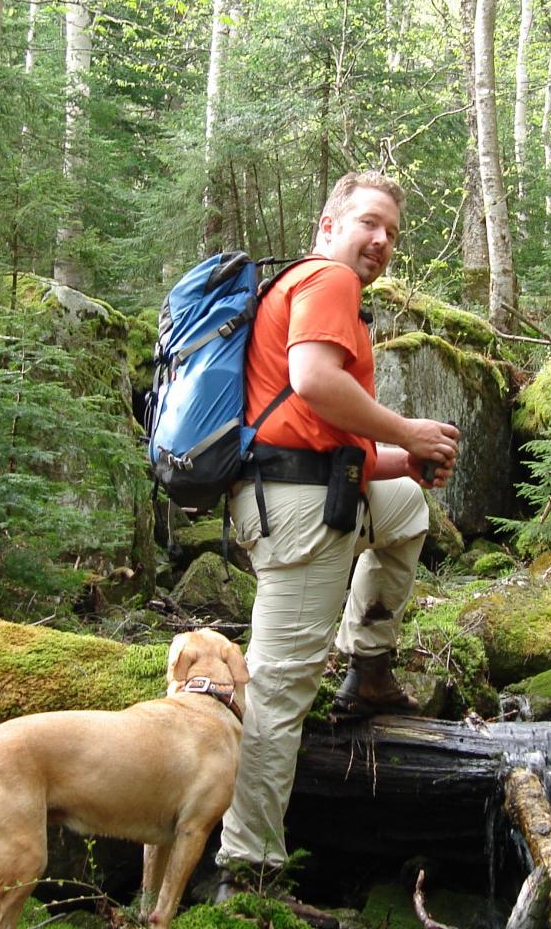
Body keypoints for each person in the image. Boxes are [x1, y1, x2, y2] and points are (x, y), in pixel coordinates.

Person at [214, 170, 462, 897]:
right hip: (293, 511)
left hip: (311, 485)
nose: (380, 240)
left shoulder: (309, 287)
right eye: (367, 223)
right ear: (328, 224)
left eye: (390, 231)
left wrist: (403, 459)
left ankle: (369, 670)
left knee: (407, 513)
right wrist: (407, 427)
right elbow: (317, 382)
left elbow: (314, 430)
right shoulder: (326, 279)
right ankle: (247, 873)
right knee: (279, 692)